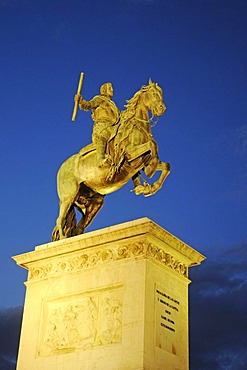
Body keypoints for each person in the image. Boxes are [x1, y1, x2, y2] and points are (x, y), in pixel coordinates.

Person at [75, 82, 120, 167]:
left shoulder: (113, 105)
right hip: (102, 125)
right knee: (103, 137)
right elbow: (89, 105)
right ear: (104, 90)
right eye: (110, 88)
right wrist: (81, 101)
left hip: (114, 126)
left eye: (112, 88)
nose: (112, 90)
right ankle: (100, 160)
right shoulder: (99, 99)